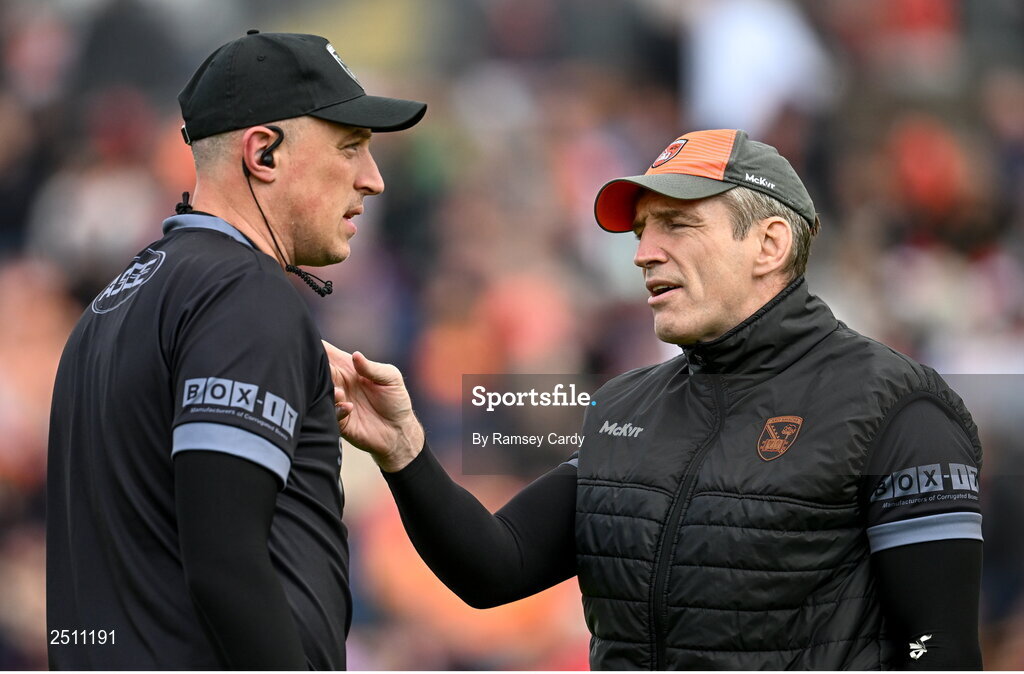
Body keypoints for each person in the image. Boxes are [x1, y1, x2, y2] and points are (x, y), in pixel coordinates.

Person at [330, 129, 984, 670]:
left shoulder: (898, 409)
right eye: (641, 230)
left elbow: (939, 651)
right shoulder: (624, 408)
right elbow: (496, 568)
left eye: (676, 224)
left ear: (770, 244)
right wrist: (403, 449)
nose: (643, 253)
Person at [46, 31, 425, 670]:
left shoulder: (115, 301)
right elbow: (226, 566)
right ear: (263, 152)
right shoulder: (243, 294)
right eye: (350, 147)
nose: (374, 180)